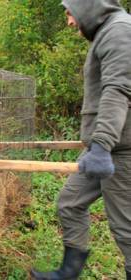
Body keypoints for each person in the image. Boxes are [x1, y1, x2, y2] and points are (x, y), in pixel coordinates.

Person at [31, 1, 131, 279]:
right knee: (70, 203)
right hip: (104, 149)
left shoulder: (120, 30)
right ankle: (69, 272)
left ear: (87, 6)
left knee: (125, 228)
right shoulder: (106, 32)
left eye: (69, 13)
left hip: (119, 150)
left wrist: (101, 146)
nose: (69, 22)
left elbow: (118, 90)